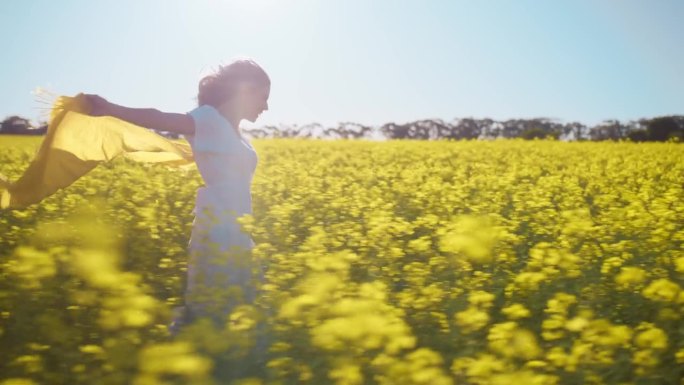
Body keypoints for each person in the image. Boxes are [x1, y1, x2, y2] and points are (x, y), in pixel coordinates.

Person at [82, 58, 270, 334]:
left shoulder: (240, 135)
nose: (266, 107)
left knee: (242, 307)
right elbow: (158, 117)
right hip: (217, 231)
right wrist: (110, 109)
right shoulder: (208, 119)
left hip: (239, 230)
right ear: (246, 90)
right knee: (211, 309)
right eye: (263, 98)